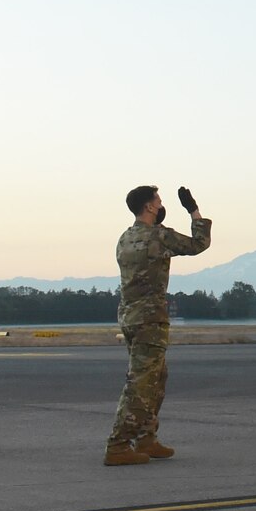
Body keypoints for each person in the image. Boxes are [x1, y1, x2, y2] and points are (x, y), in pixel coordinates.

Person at [105, 185, 211, 466]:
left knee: (156, 378)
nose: (161, 205)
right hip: (150, 319)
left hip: (130, 317)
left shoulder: (125, 238)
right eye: (158, 201)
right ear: (150, 207)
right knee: (140, 384)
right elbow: (198, 244)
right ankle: (118, 444)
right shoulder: (158, 236)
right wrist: (193, 210)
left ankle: (146, 437)